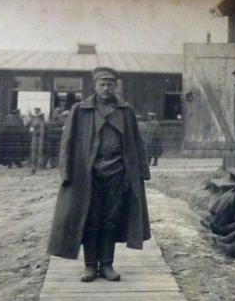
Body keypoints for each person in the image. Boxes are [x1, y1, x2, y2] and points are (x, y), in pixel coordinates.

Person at [47, 66, 151, 282]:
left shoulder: (125, 111)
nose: (106, 88)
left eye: (110, 84)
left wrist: (141, 170)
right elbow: (67, 143)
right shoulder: (80, 110)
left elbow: (136, 142)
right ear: (94, 86)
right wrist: (66, 172)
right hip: (87, 175)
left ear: (116, 86)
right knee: (90, 219)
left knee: (111, 219)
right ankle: (90, 266)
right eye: (102, 84)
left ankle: (107, 265)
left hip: (118, 173)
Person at [29, 108, 46, 174]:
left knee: (37, 151)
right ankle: (35, 165)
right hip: (36, 137)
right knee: (36, 151)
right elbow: (41, 131)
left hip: (37, 137)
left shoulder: (39, 121)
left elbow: (41, 130)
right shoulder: (37, 121)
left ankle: (37, 165)